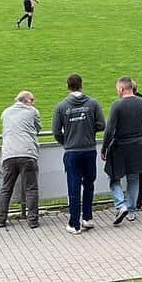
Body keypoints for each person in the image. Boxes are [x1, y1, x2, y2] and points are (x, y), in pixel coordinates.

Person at [53, 74, 105, 233]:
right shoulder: (93, 103)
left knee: (74, 187)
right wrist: (88, 131)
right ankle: (87, 218)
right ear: (81, 85)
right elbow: (101, 125)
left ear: (67, 86)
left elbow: (56, 131)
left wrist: (67, 141)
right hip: (89, 150)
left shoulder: (61, 106)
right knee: (89, 184)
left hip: (72, 152)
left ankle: (74, 224)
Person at [104, 77, 142, 223]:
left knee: (113, 176)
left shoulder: (117, 105)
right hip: (138, 145)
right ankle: (131, 209)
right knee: (134, 177)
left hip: (120, 146)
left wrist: (104, 148)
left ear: (121, 89)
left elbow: (110, 129)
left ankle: (121, 204)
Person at [0, 91, 42, 228]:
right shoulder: (32, 112)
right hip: (27, 153)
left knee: (6, 188)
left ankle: (1, 219)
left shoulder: (6, 112)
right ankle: (32, 220)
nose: (33, 103)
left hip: (9, 154)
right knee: (31, 188)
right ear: (26, 101)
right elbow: (38, 128)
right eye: (32, 100)